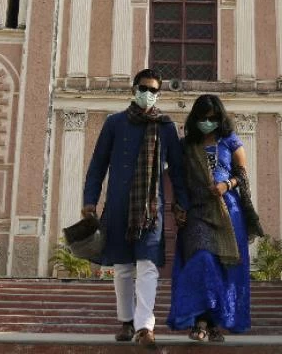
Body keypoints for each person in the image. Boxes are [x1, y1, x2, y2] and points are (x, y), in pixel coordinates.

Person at [82, 69, 190, 348]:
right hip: (118, 205)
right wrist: (90, 200)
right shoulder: (114, 124)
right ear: (134, 89)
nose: (149, 94)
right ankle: (127, 322)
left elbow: (177, 171)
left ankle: (145, 326)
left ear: (159, 94)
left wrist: (181, 203)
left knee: (148, 266)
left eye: (154, 90)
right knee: (123, 269)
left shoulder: (166, 127)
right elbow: (97, 166)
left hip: (150, 208)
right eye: (144, 88)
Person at [167, 94, 263, 342]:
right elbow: (178, 179)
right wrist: (178, 207)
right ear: (195, 119)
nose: (207, 122)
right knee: (202, 260)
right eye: (202, 118)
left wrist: (226, 185)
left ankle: (209, 323)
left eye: (212, 118)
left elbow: (242, 175)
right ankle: (199, 319)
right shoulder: (185, 145)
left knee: (223, 268)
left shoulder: (230, 141)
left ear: (220, 119)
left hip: (228, 212)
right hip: (197, 211)